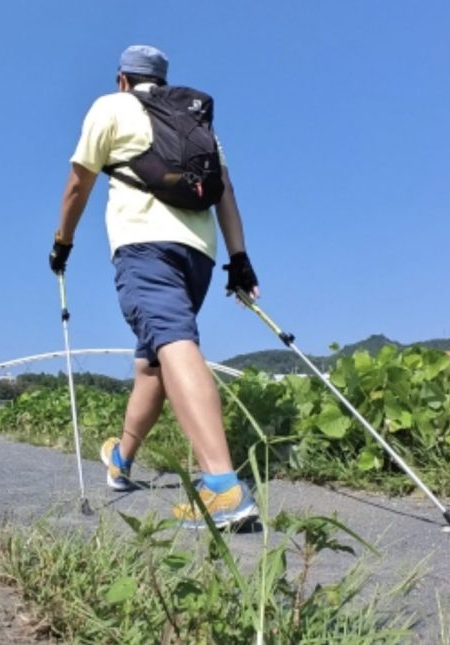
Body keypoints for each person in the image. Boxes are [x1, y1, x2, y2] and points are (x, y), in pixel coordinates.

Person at [48, 45, 262, 529]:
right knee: (150, 362)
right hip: (199, 255)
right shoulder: (196, 125)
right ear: (162, 82)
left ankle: (222, 487)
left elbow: (77, 186)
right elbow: (225, 195)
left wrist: (62, 244)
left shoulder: (111, 107)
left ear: (123, 78)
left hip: (144, 245)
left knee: (172, 342)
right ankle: (121, 459)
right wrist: (240, 259)